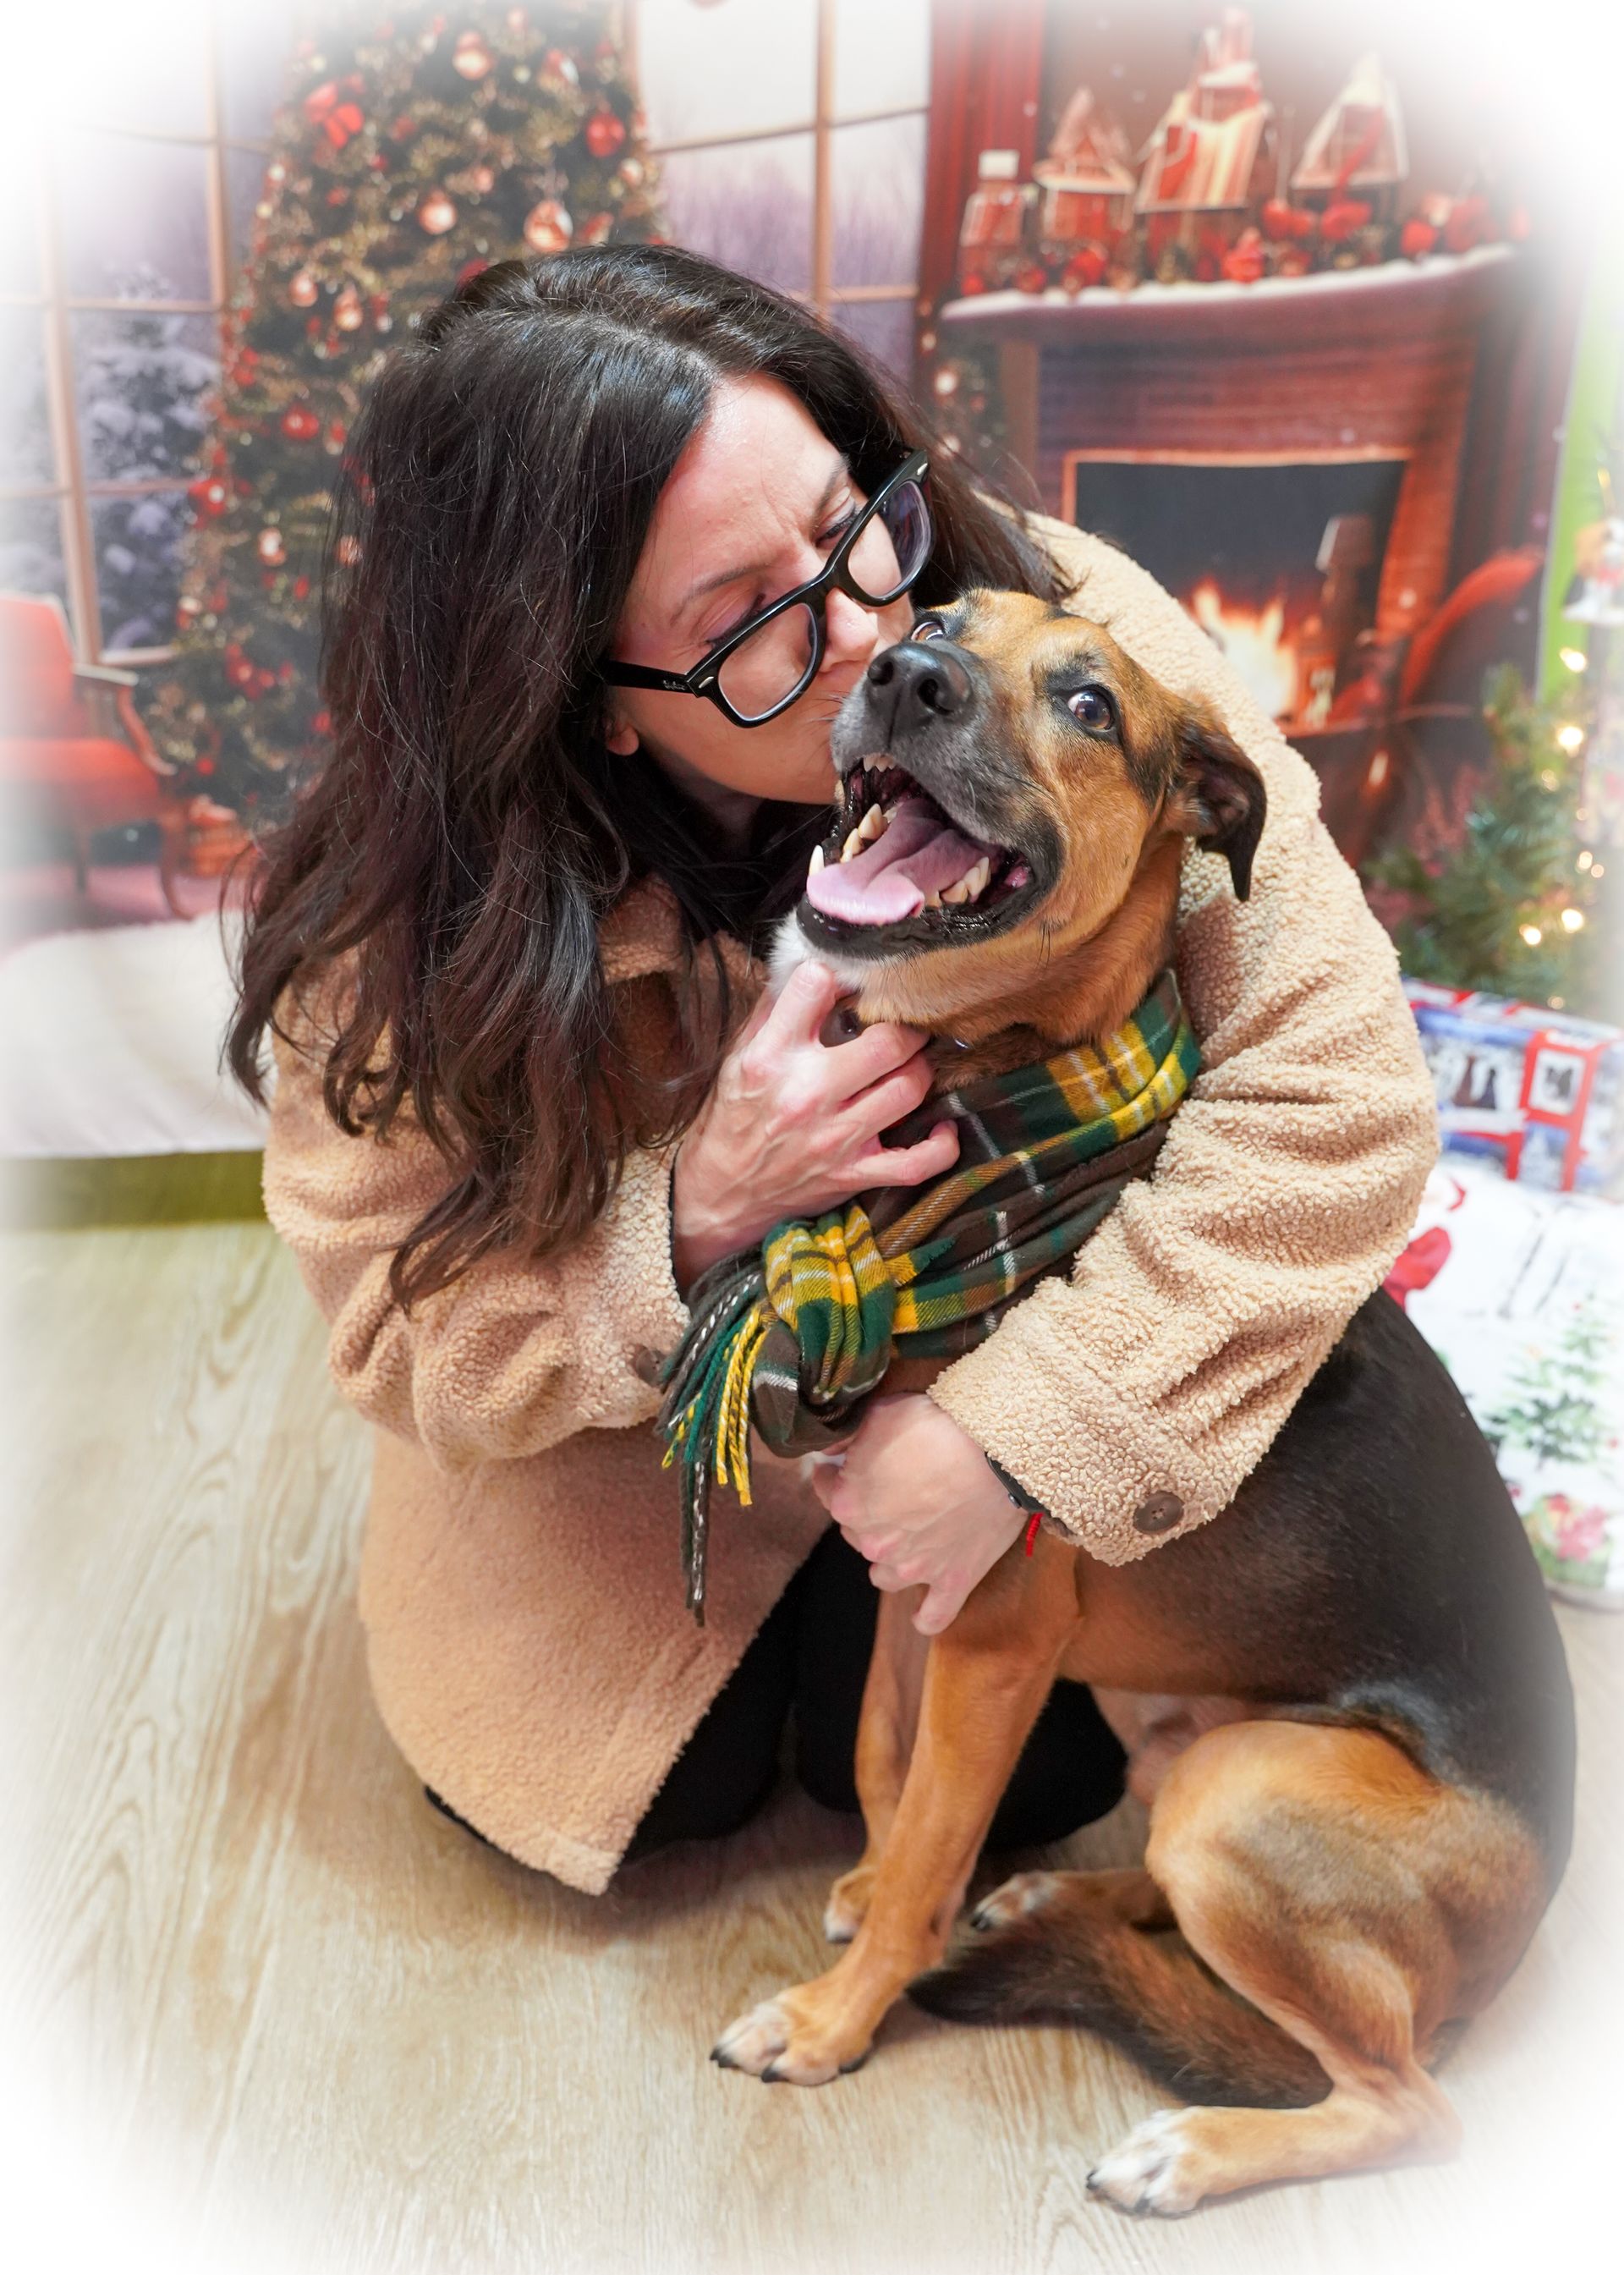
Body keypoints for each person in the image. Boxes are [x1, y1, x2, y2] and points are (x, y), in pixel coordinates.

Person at [234, 245, 1436, 1893]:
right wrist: (693, 1216)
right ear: (587, 702)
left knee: (1029, 1784)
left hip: (1004, 1335)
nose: (881, 634)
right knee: (674, 1789)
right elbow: (401, 1332)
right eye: (750, 624)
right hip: (643, 1452)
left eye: (852, 520)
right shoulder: (412, 921)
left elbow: (1342, 1088)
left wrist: (1028, 1434)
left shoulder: (1063, 635)